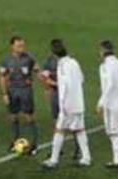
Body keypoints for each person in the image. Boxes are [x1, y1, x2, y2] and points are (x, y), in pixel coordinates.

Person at [41, 39, 91, 169]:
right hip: (79, 103)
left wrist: (49, 82)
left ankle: (53, 160)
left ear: (54, 53)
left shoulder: (62, 66)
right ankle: (86, 157)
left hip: (68, 105)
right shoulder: (74, 62)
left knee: (59, 131)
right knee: (80, 130)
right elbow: (81, 79)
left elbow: (64, 86)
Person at [0, 35, 39, 153]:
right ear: (12, 46)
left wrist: (32, 79)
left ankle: (34, 144)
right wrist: (4, 94)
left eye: (22, 45)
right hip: (12, 91)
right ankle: (15, 140)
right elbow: (2, 77)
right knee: (13, 116)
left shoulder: (29, 58)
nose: (22, 48)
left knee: (29, 116)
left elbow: (38, 71)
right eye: (19, 46)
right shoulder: (6, 60)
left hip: (25, 91)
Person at [97, 40, 118, 170]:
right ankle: (116, 160)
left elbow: (109, 84)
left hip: (111, 104)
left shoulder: (105, 66)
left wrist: (101, 102)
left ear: (103, 51)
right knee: (114, 132)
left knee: (113, 133)